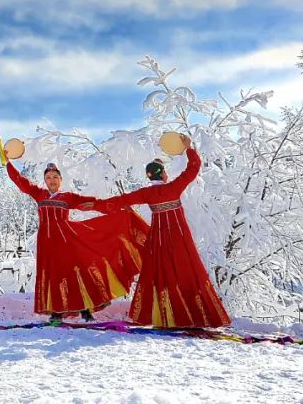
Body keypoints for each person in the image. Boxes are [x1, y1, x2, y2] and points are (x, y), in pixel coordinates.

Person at [90, 136, 231, 328]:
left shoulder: (146, 193)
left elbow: (118, 201)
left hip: (158, 239)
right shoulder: (174, 187)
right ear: (163, 174)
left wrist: (95, 205)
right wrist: (188, 148)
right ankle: (194, 314)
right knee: (187, 271)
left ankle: (161, 315)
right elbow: (194, 167)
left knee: (158, 273)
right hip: (179, 237)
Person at [5, 159, 148, 322]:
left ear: (61, 180)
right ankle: (56, 312)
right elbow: (21, 182)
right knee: (52, 275)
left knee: (75, 273)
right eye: (49, 177)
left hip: (67, 240)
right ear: (45, 180)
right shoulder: (39, 194)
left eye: (55, 177)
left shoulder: (68, 197)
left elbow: (94, 203)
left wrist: (117, 207)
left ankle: (86, 310)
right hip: (46, 242)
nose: (52, 180)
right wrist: (7, 163)